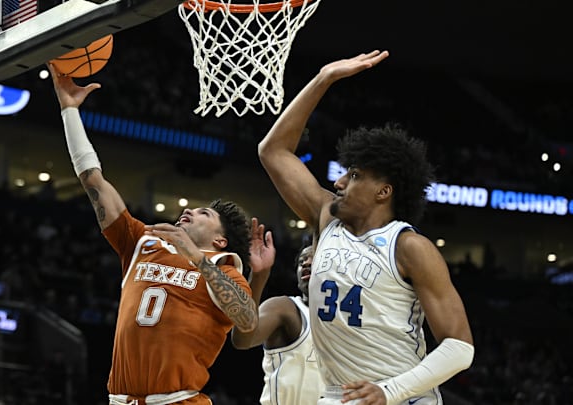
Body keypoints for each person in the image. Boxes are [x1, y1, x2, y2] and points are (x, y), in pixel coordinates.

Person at [257, 50, 474, 405]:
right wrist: (323, 78)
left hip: (401, 398)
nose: (340, 182)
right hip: (339, 396)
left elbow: (460, 348)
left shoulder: (408, 247)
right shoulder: (326, 217)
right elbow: (273, 151)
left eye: (354, 175)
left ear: (383, 192)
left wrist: (389, 391)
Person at [48, 63, 259, 405]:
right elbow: (93, 180)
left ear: (220, 241)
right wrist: (70, 111)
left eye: (204, 213)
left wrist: (196, 259)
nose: (189, 210)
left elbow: (248, 321)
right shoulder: (142, 241)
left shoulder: (224, 269)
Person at [230, 221, 325, 405]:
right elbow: (242, 340)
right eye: (301, 261)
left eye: (315, 257)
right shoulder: (285, 308)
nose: (306, 263)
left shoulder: (345, 320)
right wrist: (259, 276)